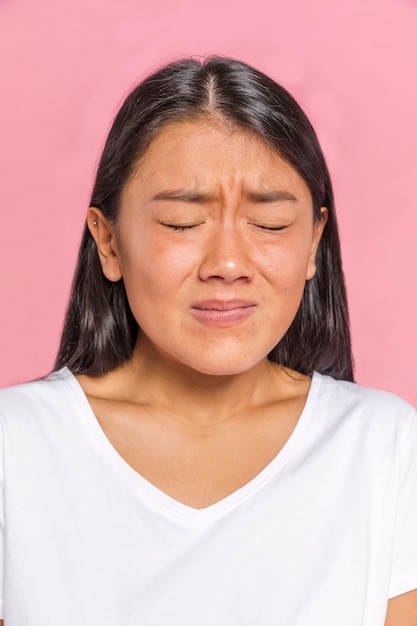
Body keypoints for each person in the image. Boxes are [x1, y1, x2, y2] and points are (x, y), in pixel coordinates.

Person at [0, 57, 416, 626]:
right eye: (180, 222)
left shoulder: (383, 445)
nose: (227, 264)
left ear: (315, 241)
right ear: (109, 241)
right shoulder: (14, 448)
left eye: (269, 225)